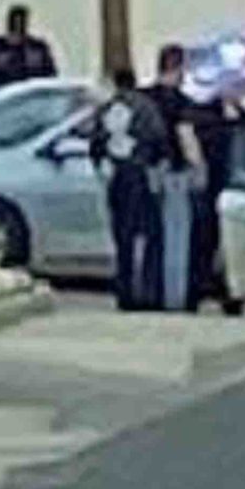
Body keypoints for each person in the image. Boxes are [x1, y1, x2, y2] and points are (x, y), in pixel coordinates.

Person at [88, 67, 167, 310]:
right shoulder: (145, 107)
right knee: (151, 236)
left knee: (123, 237)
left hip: (116, 176)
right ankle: (149, 293)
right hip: (140, 174)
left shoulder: (107, 109)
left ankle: (124, 294)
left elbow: (95, 144)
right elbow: (158, 137)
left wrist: (103, 165)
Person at [142, 44, 205, 311]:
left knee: (149, 240)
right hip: (174, 176)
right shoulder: (178, 102)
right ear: (178, 68)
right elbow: (186, 136)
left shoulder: (142, 98)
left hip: (144, 175)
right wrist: (200, 167)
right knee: (176, 240)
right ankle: (174, 299)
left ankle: (148, 292)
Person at [182, 74, 241, 315]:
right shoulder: (204, 118)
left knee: (215, 245)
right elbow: (188, 141)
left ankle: (210, 292)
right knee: (205, 243)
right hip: (210, 189)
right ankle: (199, 292)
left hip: (224, 191)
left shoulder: (230, 119)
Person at [5, 5, 56, 80]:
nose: (18, 26)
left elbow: (51, 73)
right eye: (15, 23)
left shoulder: (38, 47)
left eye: (21, 22)